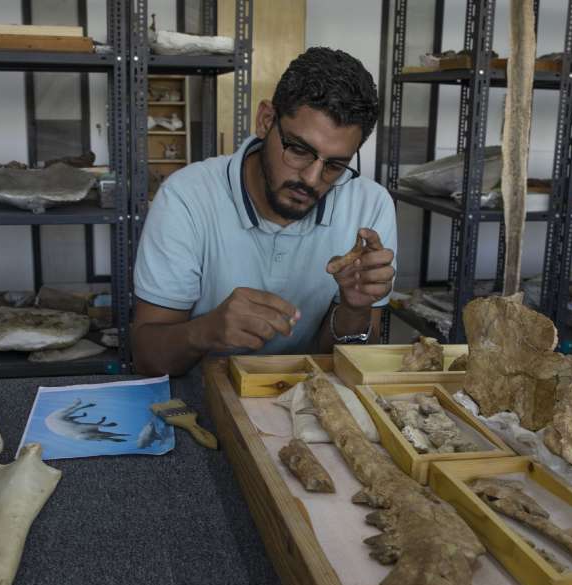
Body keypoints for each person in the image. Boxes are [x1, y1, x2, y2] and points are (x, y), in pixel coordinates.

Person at [132, 47, 397, 376]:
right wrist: (205, 331)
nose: (312, 179)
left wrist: (354, 309)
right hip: (204, 398)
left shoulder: (371, 206)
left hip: (308, 398)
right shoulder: (186, 198)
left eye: (336, 165)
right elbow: (146, 357)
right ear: (266, 120)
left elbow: (348, 364)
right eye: (299, 150)